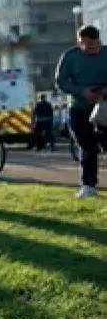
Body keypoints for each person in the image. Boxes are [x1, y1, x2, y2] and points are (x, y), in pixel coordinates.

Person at [56, 24, 107, 198]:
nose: (89, 48)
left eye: (93, 44)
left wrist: (103, 92)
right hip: (80, 108)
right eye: (84, 44)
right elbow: (61, 81)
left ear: (98, 41)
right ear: (79, 42)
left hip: (104, 106)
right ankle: (88, 185)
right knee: (86, 145)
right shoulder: (70, 57)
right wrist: (81, 91)